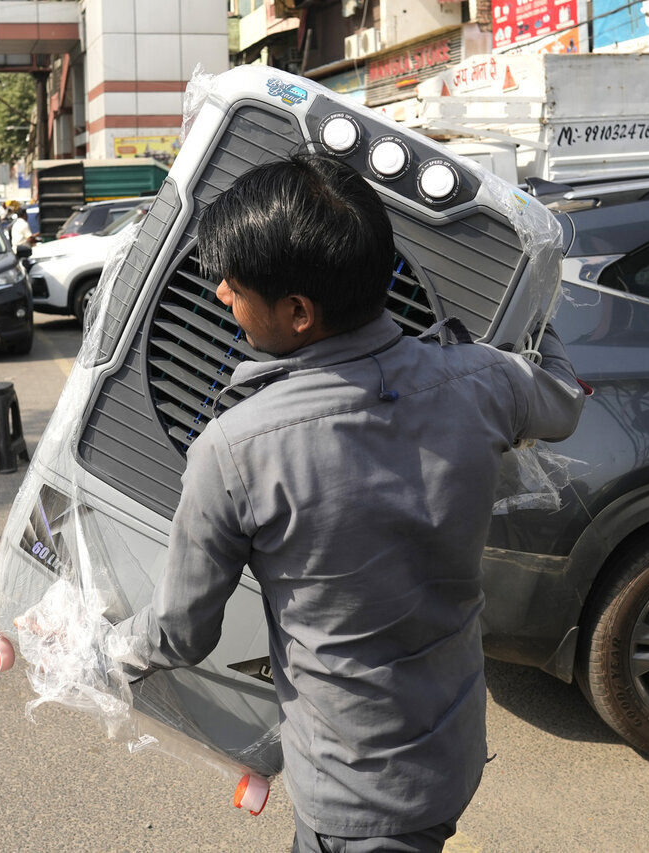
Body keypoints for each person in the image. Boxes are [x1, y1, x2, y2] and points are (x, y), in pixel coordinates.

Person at [113, 152, 586, 853]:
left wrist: (99, 649)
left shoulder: (236, 449)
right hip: (451, 753)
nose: (218, 294)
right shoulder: (484, 380)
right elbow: (566, 400)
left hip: (356, 796)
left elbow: (181, 631)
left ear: (298, 312)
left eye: (233, 285)